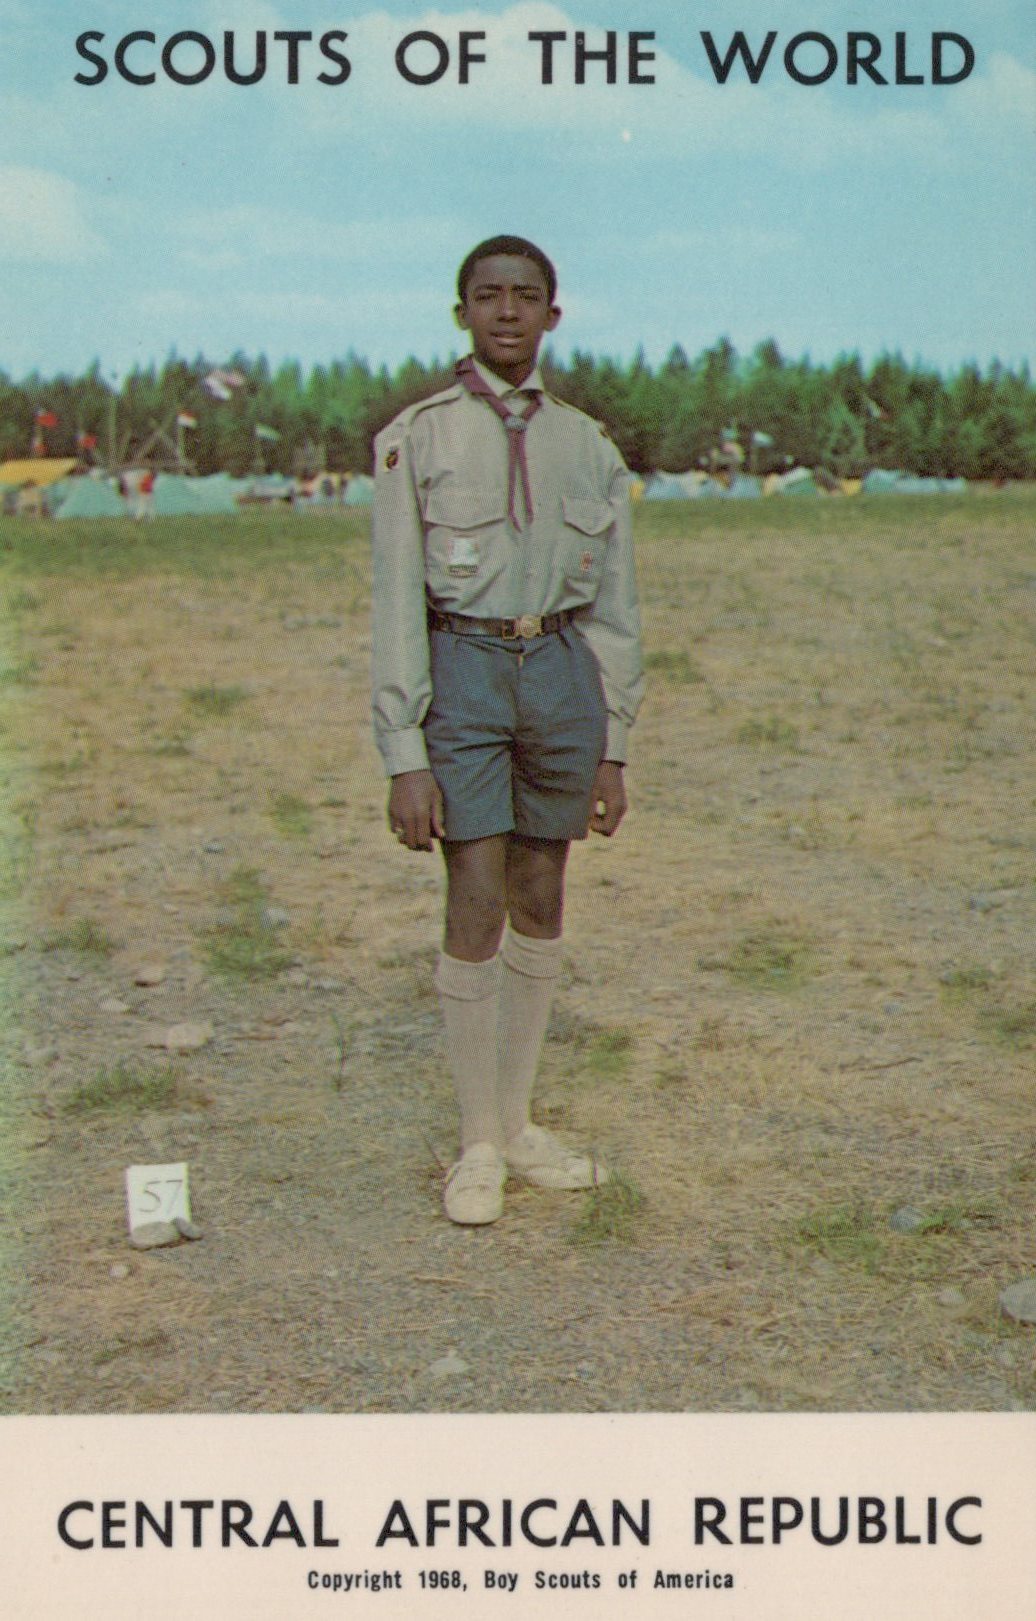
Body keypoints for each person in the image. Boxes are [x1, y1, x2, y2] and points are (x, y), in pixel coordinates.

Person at [370, 235, 644, 1225]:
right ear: (461, 315)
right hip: (464, 670)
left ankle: (522, 1123)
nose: (507, 313)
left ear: (553, 316)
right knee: (474, 889)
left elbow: (614, 605)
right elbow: (396, 602)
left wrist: (612, 738)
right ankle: (477, 1138)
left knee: (541, 884)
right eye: (487, 297)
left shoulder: (589, 445)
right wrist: (404, 753)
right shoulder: (418, 438)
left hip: (561, 670)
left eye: (527, 297)